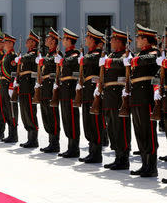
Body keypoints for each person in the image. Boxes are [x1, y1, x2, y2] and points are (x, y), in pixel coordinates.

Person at [125, 24, 160, 177]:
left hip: (146, 98)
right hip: (137, 97)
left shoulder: (154, 52)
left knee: (148, 132)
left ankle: (151, 166)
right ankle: (144, 163)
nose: (137, 40)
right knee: (139, 132)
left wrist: (132, 60)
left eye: (139, 38)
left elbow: (148, 59)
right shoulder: (140, 54)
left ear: (146, 39)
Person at [101, 27, 132, 170]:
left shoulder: (125, 55)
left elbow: (122, 63)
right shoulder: (112, 54)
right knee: (112, 128)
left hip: (119, 97)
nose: (111, 41)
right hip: (109, 96)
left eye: (113, 39)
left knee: (120, 128)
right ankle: (117, 156)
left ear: (120, 42)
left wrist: (107, 62)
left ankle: (123, 158)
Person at [78, 25, 104, 163]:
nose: (86, 39)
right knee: (87, 123)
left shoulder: (98, 55)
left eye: (88, 37)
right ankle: (91, 150)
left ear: (94, 41)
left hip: (94, 92)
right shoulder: (88, 55)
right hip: (86, 92)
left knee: (95, 123)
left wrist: (83, 59)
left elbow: (92, 61)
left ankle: (97, 152)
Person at [55, 28, 81, 158]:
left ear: (70, 41)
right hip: (64, 91)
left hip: (71, 92)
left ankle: (74, 147)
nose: (63, 41)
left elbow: (72, 67)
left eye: (65, 39)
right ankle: (70, 146)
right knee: (66, 119)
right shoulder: (66, 56)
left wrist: (61, 62)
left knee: (71, 120)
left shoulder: (74, 56)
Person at [38, 28, 62, 153]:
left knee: (52, 116)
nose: (46, 40)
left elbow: (57, 66)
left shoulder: (57, 55)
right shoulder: (48, 54)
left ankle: (55, 143)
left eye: (48, 38)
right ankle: (50, 141)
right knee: (46, 115)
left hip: (51, 89)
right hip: (44, 89)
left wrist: (43, 61)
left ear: (53, 41)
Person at [18, 31, 39, 148]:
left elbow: (27, 58)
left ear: (33, 43)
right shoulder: (27, 54)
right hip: (23, 87)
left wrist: (20, 58)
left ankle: (33, 139)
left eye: (29, 40)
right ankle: (29, 137)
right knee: (25, 113)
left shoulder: (34, 54)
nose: (26, 42)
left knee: (30, 113)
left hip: (29, 87)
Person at [0, 34, 18, 143]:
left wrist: (12, 85)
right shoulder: (6, 56)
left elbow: (14, 73)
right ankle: (10, 133)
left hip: (8, 85)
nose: (4, 44)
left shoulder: (12, 56)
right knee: (5, 109)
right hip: (3, 84)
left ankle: (13, 134)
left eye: (6, 42)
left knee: (12, 111)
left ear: (11, 44)